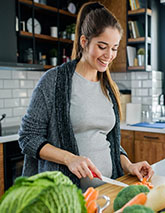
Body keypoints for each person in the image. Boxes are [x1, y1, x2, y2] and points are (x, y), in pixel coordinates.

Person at [18, 1, 154, 190]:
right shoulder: (54, 81)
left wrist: (129, 165)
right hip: (66, 196)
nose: (109, 55)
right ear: (84, 42)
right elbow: (27, 138)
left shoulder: (109, 87)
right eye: (102, 46)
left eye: (114, 48)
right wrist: (69, 158)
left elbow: (108, 142)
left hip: (107, 191)